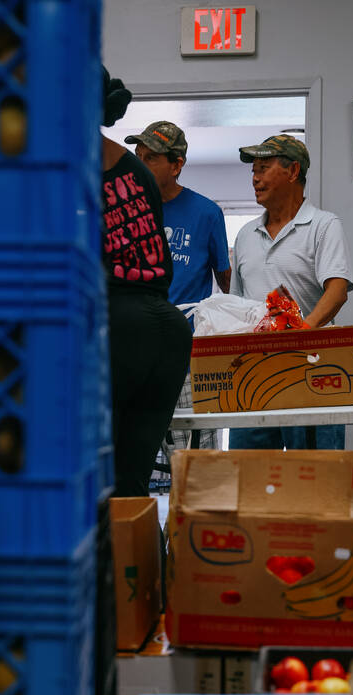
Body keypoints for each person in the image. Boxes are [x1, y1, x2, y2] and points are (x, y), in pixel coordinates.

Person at [229, 133, 353, 450]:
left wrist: (297, 334)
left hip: (310, 370)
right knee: (250, 479)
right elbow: (236, 305)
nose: (255, 178)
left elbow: (337, 290)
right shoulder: (245, 235)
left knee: (316, 478)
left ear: (293, 171)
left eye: (263, 167)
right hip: (254, 377)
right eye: (253, 170)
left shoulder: (324, 225)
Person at [101, 75, 192, 496]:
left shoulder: (65, 166)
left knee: (98, 483)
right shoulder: (135, 169)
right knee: (131, 486)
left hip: (118, 326)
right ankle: (142, 561)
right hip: (166, 329)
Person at [125, 120, 231, 460]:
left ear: (176, 165)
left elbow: (225, 283)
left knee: (197, 462)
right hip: (136, 352)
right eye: (137, 155)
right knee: (135, 457)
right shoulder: (127, 211)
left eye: (151, 158)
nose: (141, 164)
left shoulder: (207, 213)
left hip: (188, 357)